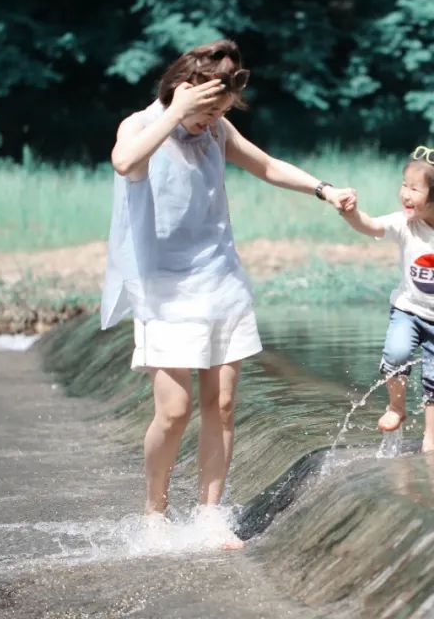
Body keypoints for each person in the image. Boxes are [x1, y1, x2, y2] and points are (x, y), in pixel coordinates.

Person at [101, 39, 354, 545]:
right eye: (206, 110)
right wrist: (176, 114)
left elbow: (266, 165)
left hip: (220, 280)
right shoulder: (142, 124)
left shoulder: (217, 129)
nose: (210, 120)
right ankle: (155, 513)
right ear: (180, 91)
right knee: (173, 412)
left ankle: (209, 513)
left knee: (223, 406)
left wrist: (324, 190)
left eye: (219, 111)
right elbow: (126, 163)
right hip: (164, 288)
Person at [337, 140, 434, 452]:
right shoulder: (405, 223)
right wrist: (351, 214)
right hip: (407, 310)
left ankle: (430, 437)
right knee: (395, 355)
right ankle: (397, 407)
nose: (404, 194)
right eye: (403, 185)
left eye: (414, 189)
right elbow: (370, 226)